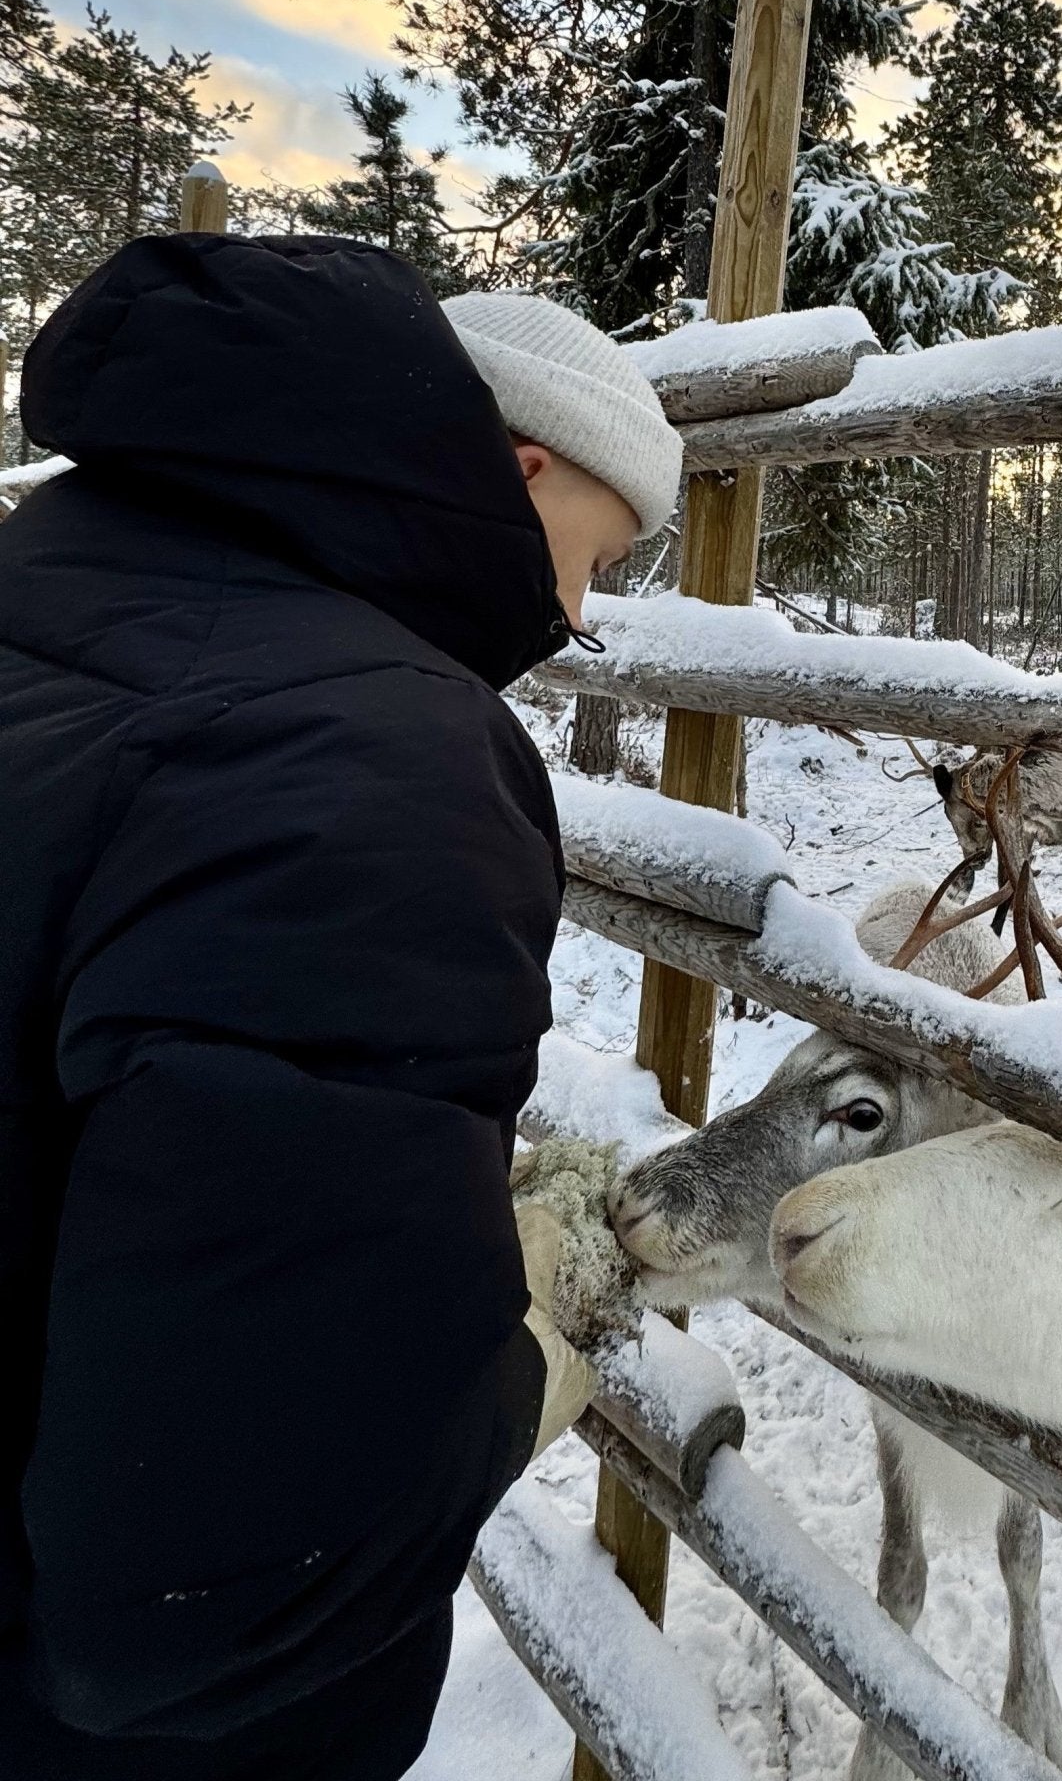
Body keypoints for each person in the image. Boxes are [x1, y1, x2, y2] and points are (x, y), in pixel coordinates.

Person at [0, 234, 682, 1779]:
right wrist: (515, 1351)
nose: (578, 614)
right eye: (595, 550)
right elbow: (226, 1572)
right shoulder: (377, 763)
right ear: (519, 470)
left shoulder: (42, 588)